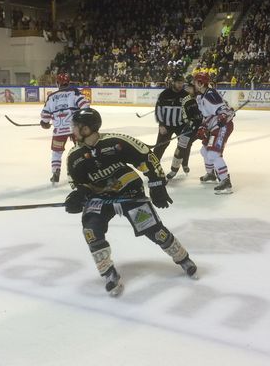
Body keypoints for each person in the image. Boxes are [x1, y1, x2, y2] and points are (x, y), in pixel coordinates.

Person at [65, 108, 197, 296]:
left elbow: (147, 158)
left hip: (129, 192)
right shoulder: (75, 156)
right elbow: (77, 183)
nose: (73, 130)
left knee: (154, 229)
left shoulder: (116, 142)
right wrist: (78, 196)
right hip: (100, 198)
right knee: (91, 230)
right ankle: (108, 272)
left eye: (76, 127)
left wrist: (157, 184)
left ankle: (182, 258)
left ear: (87, 129)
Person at [40, 72, 90, 183]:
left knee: (56, 152)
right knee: (81, 149)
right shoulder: (74, 92)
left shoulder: (51, 97)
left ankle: (55, 171)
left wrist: (45, 123)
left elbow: (45, 115)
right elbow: (85, 106)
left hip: (59, 130)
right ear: (69, 82)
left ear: (58, 83)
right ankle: (84, 170)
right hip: (75, 129)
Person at [193, 72, 235, 194]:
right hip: (214, 127)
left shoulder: (210, 94)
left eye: (195, 82)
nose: (194, 85)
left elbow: (224, 111)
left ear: (200, 83)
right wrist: (202, 126)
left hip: (223, 127)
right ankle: (211, 174)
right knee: (205, 151)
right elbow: (208, 116)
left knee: (213, 154)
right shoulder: (201, 97)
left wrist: (224, 115)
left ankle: (225, 180)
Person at [153, 73, 193, 177]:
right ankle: (153, 167)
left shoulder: (185, 95)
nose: (180, 85)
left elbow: (190, 110)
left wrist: (189, 123)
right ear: (173, 83)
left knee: (185, 145)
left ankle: (184, 163)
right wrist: (161, 125)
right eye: (178, 82)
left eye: (182, 83)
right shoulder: (164, 94)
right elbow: (158, 110)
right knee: (159, 147)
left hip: (181, 126)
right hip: (166, 126)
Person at [166, 75, 203, 180]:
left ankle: (213, 171)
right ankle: (174, 170)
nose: (187, 89)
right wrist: (190, 123)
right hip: (191, 127)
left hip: (205, 127)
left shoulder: (204, 97)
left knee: (210, 149)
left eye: (190, 87)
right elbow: (185, 116)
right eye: (187, 87)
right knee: (180, 148)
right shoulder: (186, 100)